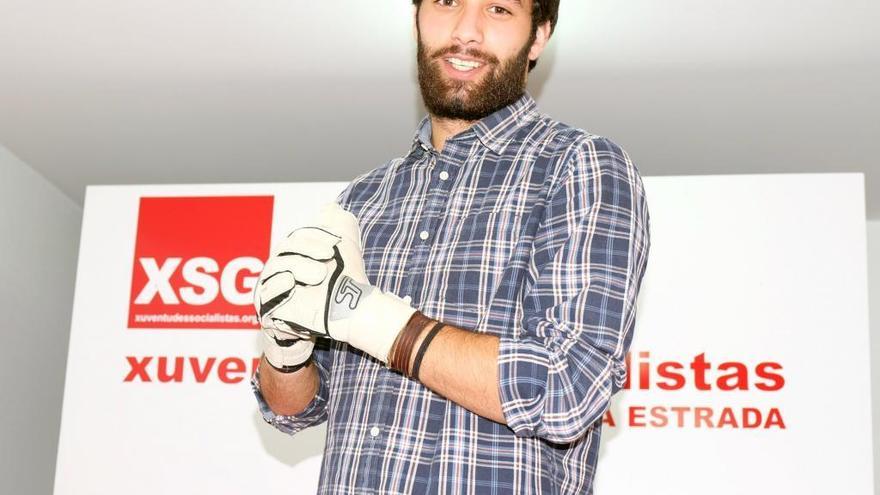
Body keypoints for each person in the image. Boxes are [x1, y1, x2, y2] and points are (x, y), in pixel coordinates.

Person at [251, 0, 651, 493]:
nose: (466, 30)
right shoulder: (363, 196)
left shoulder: (580, 165)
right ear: (418, 18)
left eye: (499, 9)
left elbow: (568, 389)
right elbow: (296, 409)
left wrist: (367, 316)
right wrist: (285, 344)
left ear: (539, 36)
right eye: (446, 2)